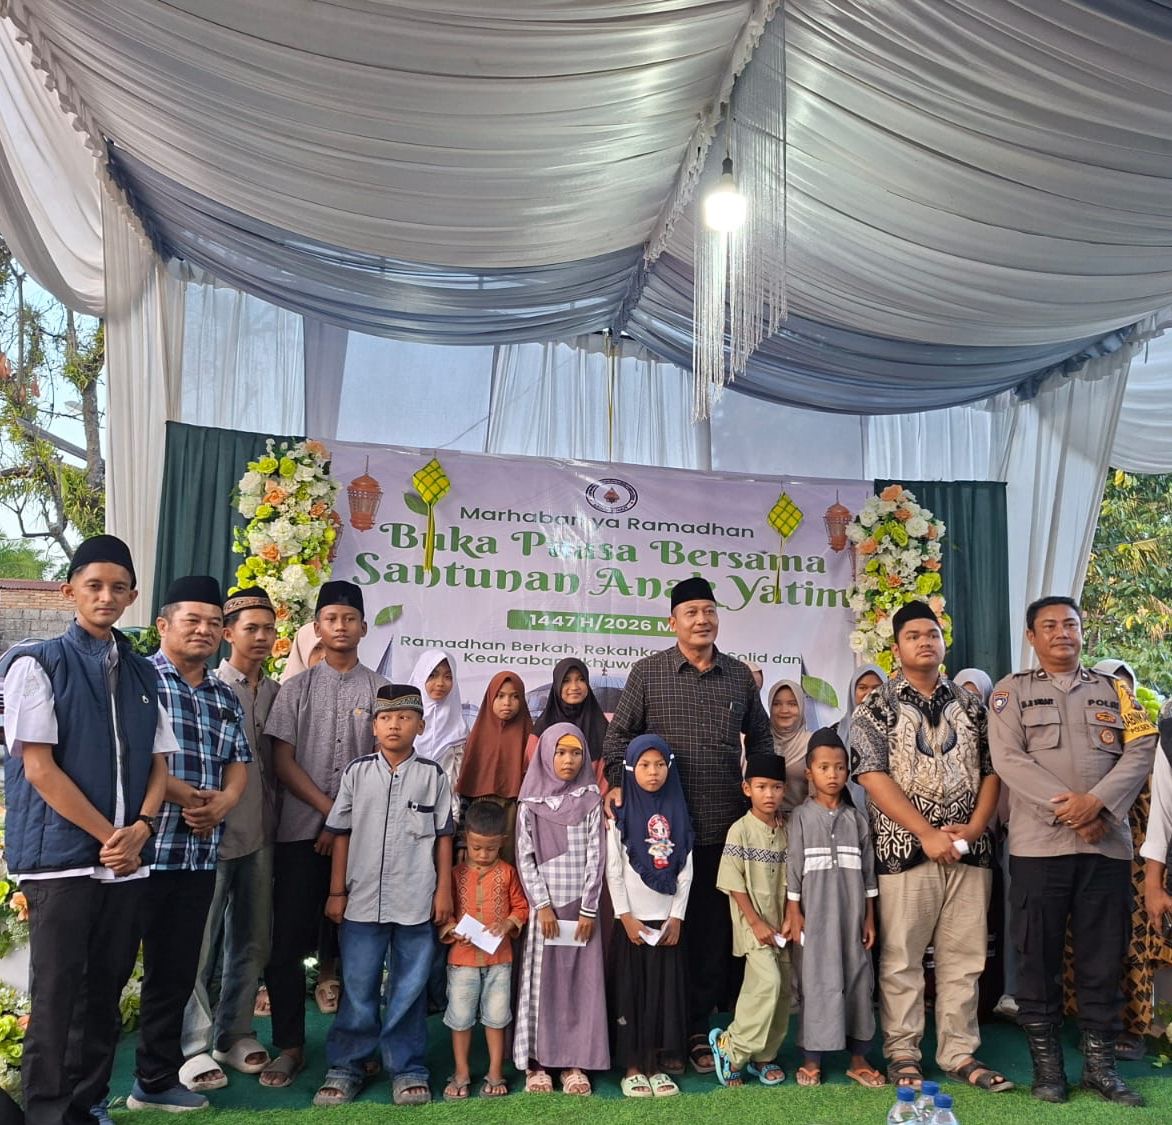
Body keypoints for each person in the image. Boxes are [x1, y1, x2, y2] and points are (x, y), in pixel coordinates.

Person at [0, 535, 172, 1125]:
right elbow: (39, 768)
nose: (106, 596)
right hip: (62, 860)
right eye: (93, 585)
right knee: (56, 995)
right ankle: (47, 1114)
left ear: (133, 597)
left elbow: (159, 763)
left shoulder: (144, 672)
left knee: (105, 990)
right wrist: (112, 835)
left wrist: (142, 826)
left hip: (124, 860)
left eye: (118, 588)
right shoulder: (36, 662)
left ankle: (86, 1107)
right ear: (68, 590)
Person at [989, 597, 1157, 1106]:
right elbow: (1008, 760)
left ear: (1083, 631)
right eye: (1050, 626)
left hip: (1105, 847)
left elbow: (1141, 749)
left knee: (1102, 959)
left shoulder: (1115, 690)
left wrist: (1098, 804)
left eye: (1071, 624)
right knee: (1036, 958)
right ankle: (1048, 1071)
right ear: (1032, 637)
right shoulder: (1011, 692)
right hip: (1039, 848)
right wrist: (1073, 810)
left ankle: (1101, 1070)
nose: (1062, 632)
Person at [603, 576, 772, 1073]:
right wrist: (618, 783)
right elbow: (617, 741)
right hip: (661, 831)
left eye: (709, 611)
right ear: (672, 622)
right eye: (691, 612)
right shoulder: (649, 673)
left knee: (711, 933)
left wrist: (763, 795)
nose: (702, 620)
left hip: (722, 826)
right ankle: (665, 1032)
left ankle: (703, 1028)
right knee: (667, 930)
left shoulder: (738, 676)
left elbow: (762, 741)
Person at [850, 600, 1006, 1093]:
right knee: (903, 959)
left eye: (932, 634)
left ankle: (959, 1053)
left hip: (970, 853)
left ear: (944, 642)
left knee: (965, 958)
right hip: (905, 852)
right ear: (896, 649)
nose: (925, 642)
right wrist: (926, 833)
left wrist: (974, 830)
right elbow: (871, 775)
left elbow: (993, 771)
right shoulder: (876, 706)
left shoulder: (973, 706)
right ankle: (903, 1052)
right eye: (913, 635)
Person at [261, 580, 389, 1088]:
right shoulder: (295, 689)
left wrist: (342, 823)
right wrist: (329, 813)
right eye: (331, 619)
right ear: (316, 627)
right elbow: (281, 760)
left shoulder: (381, 690)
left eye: (349, 619)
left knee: (359, 947)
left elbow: (385, 764)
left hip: (361, 839)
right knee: (288, 944)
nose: (340, 627)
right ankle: (290, 1046)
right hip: (298, 834)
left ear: (364, 627)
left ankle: (357, 1045)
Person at [132, 575, 253, 1111]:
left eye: (213, 622)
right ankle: (78, 1094)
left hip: (199, 854)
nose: (203, 630)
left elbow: (239, 762)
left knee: (175, 972)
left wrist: (225, 803)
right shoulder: (139, 680)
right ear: (163, 625)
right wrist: (189, 798)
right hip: (140, 852)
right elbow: (131, 757)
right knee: (109, 971)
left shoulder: (224, 694)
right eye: (192, 620)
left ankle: (154, 1082)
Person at [312, 684, 454, 1107]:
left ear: (420, 726)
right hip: (360, 900)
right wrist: (336, 892)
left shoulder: (433, 775)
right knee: (358, 987)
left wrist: (443, 892)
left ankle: (407, 1067)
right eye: (386, 718)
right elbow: (340, 833)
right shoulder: (357, 773)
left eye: (405, 717)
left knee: (409, 989)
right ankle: (347, 1066)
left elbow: (444, 838)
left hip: (416, 898)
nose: (395, 725)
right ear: (374, 726)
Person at [179, 587, 279, 1088]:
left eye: (268, 629)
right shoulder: (210, 686)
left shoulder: (278, 691)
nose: (260, 637)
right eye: (250, 628)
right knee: (198, 945)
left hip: (261, 834)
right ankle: (192, 1047)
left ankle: (233, 1033)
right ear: (227, 634)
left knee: (252, 941)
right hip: (208, 834)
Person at [784, 728, 883, 1089]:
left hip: (852, 916)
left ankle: (859, 1057)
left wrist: (869, 917)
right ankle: (813, 1058)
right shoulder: (800, 817)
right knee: (816, 981)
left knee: (858, 978)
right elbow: (793, 870)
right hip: (815, 917)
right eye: (824, 767)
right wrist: (794, 912)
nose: (832, 775)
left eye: (839, 767)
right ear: (809, 772)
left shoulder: (857, 819)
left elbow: (868, 873)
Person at [513, 724, 608, 1095]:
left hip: (581, 913)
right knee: (543, 985)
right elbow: (525, 857)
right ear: (545, 755)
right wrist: (542, 905)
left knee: (578, 985)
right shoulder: (530, 804)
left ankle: (574, 1061)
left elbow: (597, 856)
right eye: (561, 752)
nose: (568, 760)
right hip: (546, 913)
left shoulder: (590, 800)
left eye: (576, 753)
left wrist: (588, 909)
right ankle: (537, 1063)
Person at [605, 733, 694, 1098]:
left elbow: (686, 868)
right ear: (630, 768)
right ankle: (631, 1067)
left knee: (661, 994)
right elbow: (613, 870)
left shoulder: (678, 811)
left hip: (666, 923)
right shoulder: (620, 815)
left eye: (659, 764)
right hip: (632, 924)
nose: (653, 772)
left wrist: (677, 916)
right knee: (632, 994)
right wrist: (625, 916)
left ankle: (655, 1065)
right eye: (644, 765)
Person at [708, 754, 790, 1088]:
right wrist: (755, 922)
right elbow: (732, 881)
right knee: (768, 982)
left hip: (782, 925)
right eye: (761, 787)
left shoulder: (786, 830)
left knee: (782, 991)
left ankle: (764, 1057)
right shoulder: (739, 830)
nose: (769, 794)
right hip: (751, 924)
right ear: (747, 789)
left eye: (776, 787)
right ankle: (732, 1047)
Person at [438, 799, 528, 1101]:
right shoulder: (455, 875)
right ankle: (461, 1071)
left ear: (503, 841)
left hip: (499, 960)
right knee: (460, 1017)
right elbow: (444, 914)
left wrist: (508, 924)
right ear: (466, 839)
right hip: (462, 961)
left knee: (497, 1017)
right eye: (476, 847)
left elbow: (521, 907)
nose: (482, 854)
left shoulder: (508, 873)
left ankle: (495, 1071)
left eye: (490, 848)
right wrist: (453, 930)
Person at [455, 670, 532, 861]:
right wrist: (462, 841)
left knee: (508, 867)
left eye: (515, 697)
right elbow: (466, 791)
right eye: (500, 696)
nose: (507, 702)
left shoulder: (530, 737)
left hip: (514, 813)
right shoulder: (478, 737)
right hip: (478, 813)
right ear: (490, 698)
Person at [408, 648, 467, 825]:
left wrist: (452, 819)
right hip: (403, 814)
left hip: (442, 818)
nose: (440, 683)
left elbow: (456, 782)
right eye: (432, 675)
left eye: (448, 677)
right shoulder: (403, 723)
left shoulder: (459, 729)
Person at [531, 657, 609, 788]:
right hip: (548, 799)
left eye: (581, 679)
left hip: (592, 798)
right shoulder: (542, 729)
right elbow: (534, 775)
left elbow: (606, 778)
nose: (574, 687)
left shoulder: (601, 727)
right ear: (557, 685)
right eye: (566, 681)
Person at [765, 678, 810, 816]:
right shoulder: (759, 742)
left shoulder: (812, 743)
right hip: (764, 821)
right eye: (777, 704)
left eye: (792, 704)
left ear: (801, 707)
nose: (784, 710)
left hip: (802, 820)